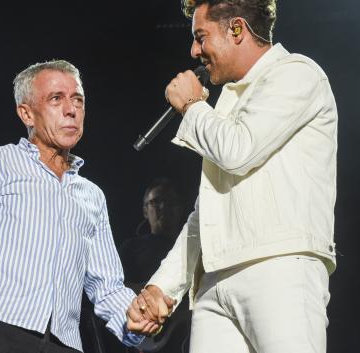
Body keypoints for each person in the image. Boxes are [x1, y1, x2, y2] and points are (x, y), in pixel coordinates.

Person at [127, 1, 338, 352]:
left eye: (201, 36)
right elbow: (206, 212)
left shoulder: (296, 73)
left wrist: (193, 108)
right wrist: (162, 287)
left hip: (278, 267)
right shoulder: (228, 101)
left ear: (237, 29)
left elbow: (239, 150)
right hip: (214, 280)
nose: (194, 50)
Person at [0, 60, 154, 353]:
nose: (71, 110)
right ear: (26, 113)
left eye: (78, 100)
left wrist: (136, 318)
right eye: (56, 99)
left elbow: (107, 287)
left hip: (64, 343)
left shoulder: (91, 195)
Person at [120, 178, 186, 292]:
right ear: (145, 211)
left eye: (170, 201)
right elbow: (115, 288)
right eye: (156, 201)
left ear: (180, 209)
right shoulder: (131, 247)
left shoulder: (192, 246)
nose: (163, 206)